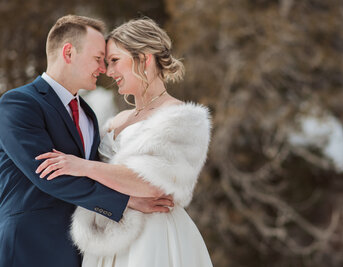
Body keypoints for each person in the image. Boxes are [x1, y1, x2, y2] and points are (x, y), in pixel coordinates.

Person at [35, 17, 213, 267]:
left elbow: (153, 184)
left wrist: (82, 166)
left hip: (154, 235)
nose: (108, 72)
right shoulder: (116, 120)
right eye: (106, 63)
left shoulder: (183, 118)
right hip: (106, 238)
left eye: (115, 61)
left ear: (144, 58)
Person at [0, 15, 172, 267]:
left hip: (80, 251)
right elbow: (47, 173)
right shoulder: (18, 104)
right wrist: (125, 202)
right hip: (28, 246)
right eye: (97, 59)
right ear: (68, 52)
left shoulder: (89, 115)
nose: (104, 69)